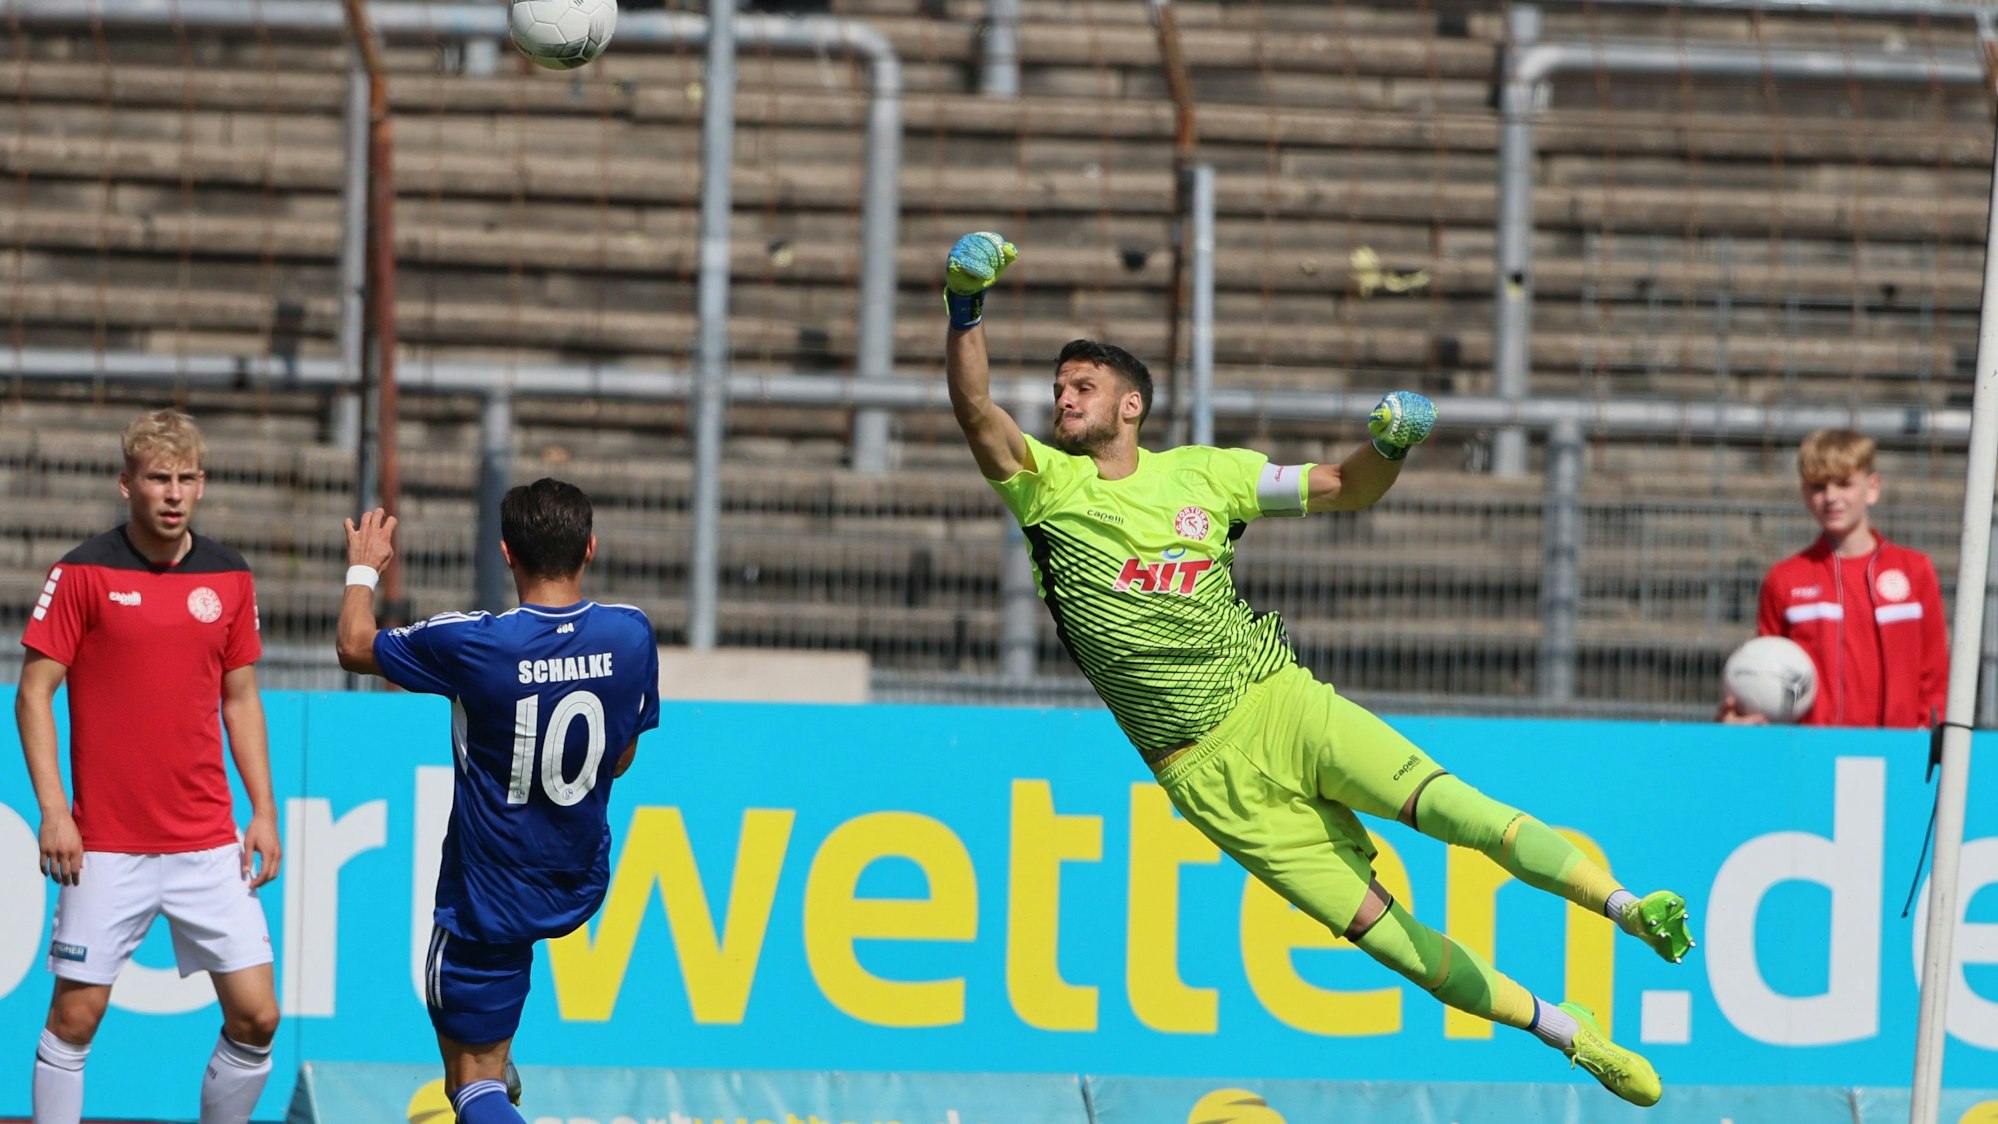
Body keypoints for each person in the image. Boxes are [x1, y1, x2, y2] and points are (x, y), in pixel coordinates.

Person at [940, 232, 1692, 1107]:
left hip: (1281, 701)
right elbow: (975, 409)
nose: (1063, 400)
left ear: (1132, 404)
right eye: (1060, 388)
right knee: (1389, 940)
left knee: (1459, 811)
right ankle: (1570, 1034)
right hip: (1203, 772)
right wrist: (964, 302)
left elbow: (1346, 485)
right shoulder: (1045, 488)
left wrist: (1392, 446)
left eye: (1084, 387)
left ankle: (1628, 907)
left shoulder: (1207, 476)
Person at [336, 478, 659, 1124]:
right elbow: (620, 758)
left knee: (471, 1081)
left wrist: (361, 570)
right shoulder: (631, 635)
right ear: (590, 548)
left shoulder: (474, 644)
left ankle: (485, 1095)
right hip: (576, 878)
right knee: (488, 1067)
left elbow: (354, 645)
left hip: (487, 897)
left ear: (506, 553)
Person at [15, 409, 282, 1124]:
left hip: (205, 842)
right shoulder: (81, 572)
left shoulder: (228, 577)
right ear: (126, 482)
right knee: (74, 1021)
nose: (172, 493)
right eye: (158, 478)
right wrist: (55, 810)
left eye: (185, 479)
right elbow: (33, 695)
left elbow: (241, 699)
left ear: (203, 485)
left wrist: (264, 811)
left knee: (258, 1017)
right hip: (104, 844)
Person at [1721, 428, 1948, 727]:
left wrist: (1930, 737)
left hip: (1901, 751)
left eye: (1844, 484)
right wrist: (1744, 714)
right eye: (1818, 486)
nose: (1831, 497)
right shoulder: (1785, 578)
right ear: (1804, 493)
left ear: (1873, 487)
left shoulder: (1914, 570)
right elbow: (1765, 671)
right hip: (1812, 753)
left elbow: (1934, 673)